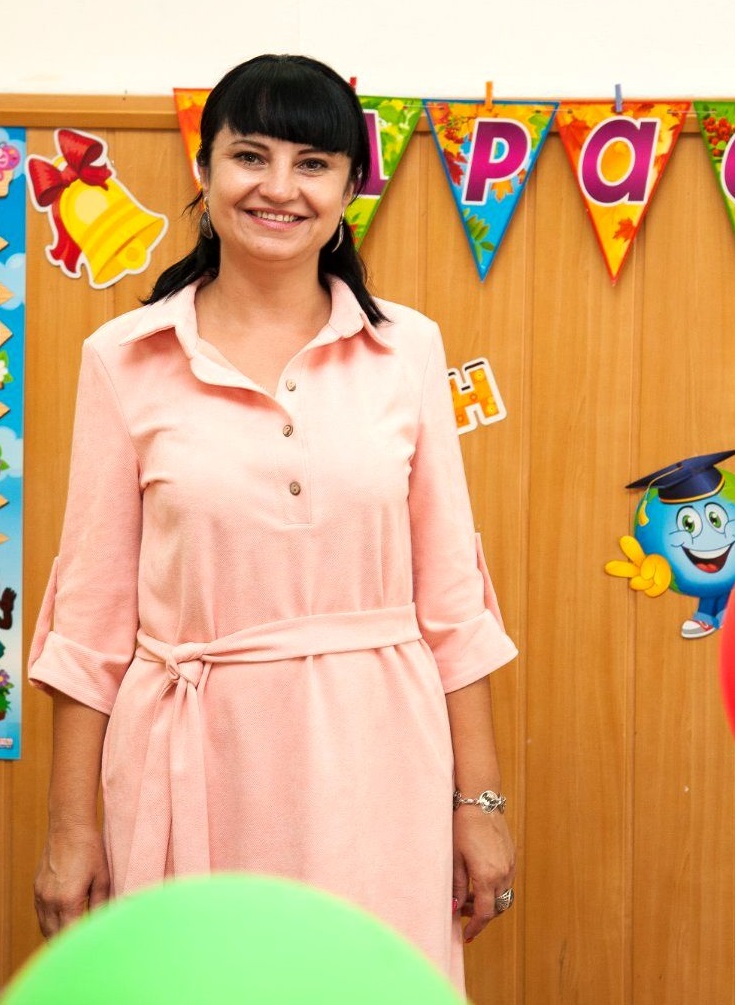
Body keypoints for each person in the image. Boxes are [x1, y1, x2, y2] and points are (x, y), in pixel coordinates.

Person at [27, 53, 518, 987]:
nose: (279, 188)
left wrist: (479, 802)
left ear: (349, 188)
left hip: (379, 757)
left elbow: (453, 597)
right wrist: (69, 828)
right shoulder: (123, 357)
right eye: (249, 156)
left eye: (313, 164)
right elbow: (88, 619)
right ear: (204, 169)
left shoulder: (406, 348)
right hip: (192, 758)